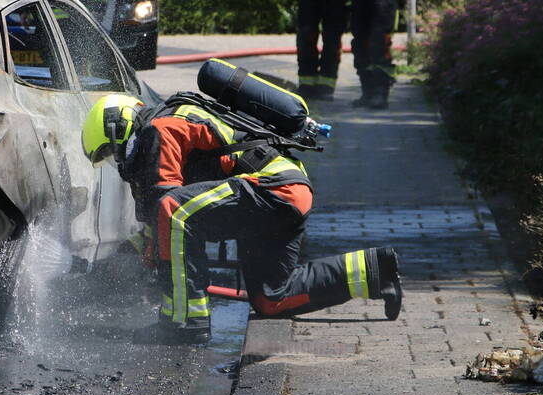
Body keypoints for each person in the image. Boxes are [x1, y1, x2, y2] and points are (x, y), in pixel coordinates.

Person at [81, 93, 403, 345]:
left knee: (174, 211)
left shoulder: (159, 129)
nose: (117, 163)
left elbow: (164, 209)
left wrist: (149, 265)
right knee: (271, 299)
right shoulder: (167, 125)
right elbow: (160, 230)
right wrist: (109, 269)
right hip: (287, 193)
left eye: (111, 153)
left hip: (270, 188)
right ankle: (376, 270)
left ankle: (184, 322)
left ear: (120, 130)